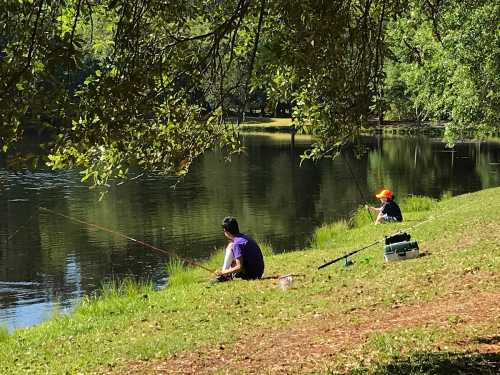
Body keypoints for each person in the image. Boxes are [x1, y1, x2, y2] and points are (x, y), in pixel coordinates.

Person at [215, 217, 265, 281]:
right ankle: (225, 273)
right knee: (231, 247)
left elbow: (239, 267)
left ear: (226, 231)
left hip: (252, 275)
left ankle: (224, 275)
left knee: (231, 246)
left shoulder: (236, 244)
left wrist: (223, 272)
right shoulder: (244, 237)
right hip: (259, 272)